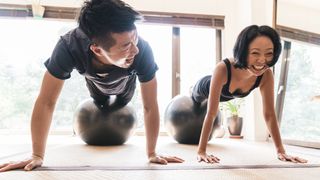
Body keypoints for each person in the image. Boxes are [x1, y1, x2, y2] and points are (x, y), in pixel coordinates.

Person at [0, 0, 183, 172]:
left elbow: (150, 106)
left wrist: (151, 153)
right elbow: (46, 101)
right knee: (99, 100)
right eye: (126, 45)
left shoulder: (142, 51)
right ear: (96, 49)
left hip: (126, 87)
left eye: (135, 38)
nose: (135, 49)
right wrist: (36, 154)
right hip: (95, 85)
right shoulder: (69, 46)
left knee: (123, 101)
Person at [192, 25, 308, 164]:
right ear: (243, 51)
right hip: (203, 88)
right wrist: (201, 151)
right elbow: (211, 113)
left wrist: (281, 150)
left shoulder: (266, 75)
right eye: (255, 53)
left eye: (269, 53)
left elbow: (270, 114)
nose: (262, 60)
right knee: (195, 98)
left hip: (228, 95)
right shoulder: (223, 68)